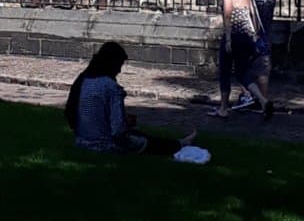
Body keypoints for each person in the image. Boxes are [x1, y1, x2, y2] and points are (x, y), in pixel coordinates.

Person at [66, 41, 202, 157]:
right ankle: (179, 145)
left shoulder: (85, 81)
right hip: (104, 144)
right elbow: (118, 131)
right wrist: (126, 125)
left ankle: (176, 143)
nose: (119, 71)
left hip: (82, 139)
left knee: (139, 136)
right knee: (143, 141)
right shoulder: (111, 88)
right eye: (119, 66)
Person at [210, 0, 274, 121]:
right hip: (247, 36)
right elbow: (251, 13)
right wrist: (254, 34)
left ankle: (223, 108)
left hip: (234, 34)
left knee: (225, 71)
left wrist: (228, 40)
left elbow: (227, 16)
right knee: (242, 72)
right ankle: (263, 100)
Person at [233, 0, 276, 112]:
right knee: (262, 70)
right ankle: (263, 101)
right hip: (266, 33)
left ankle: (247, 96)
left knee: (242, 68)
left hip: (249, 33)